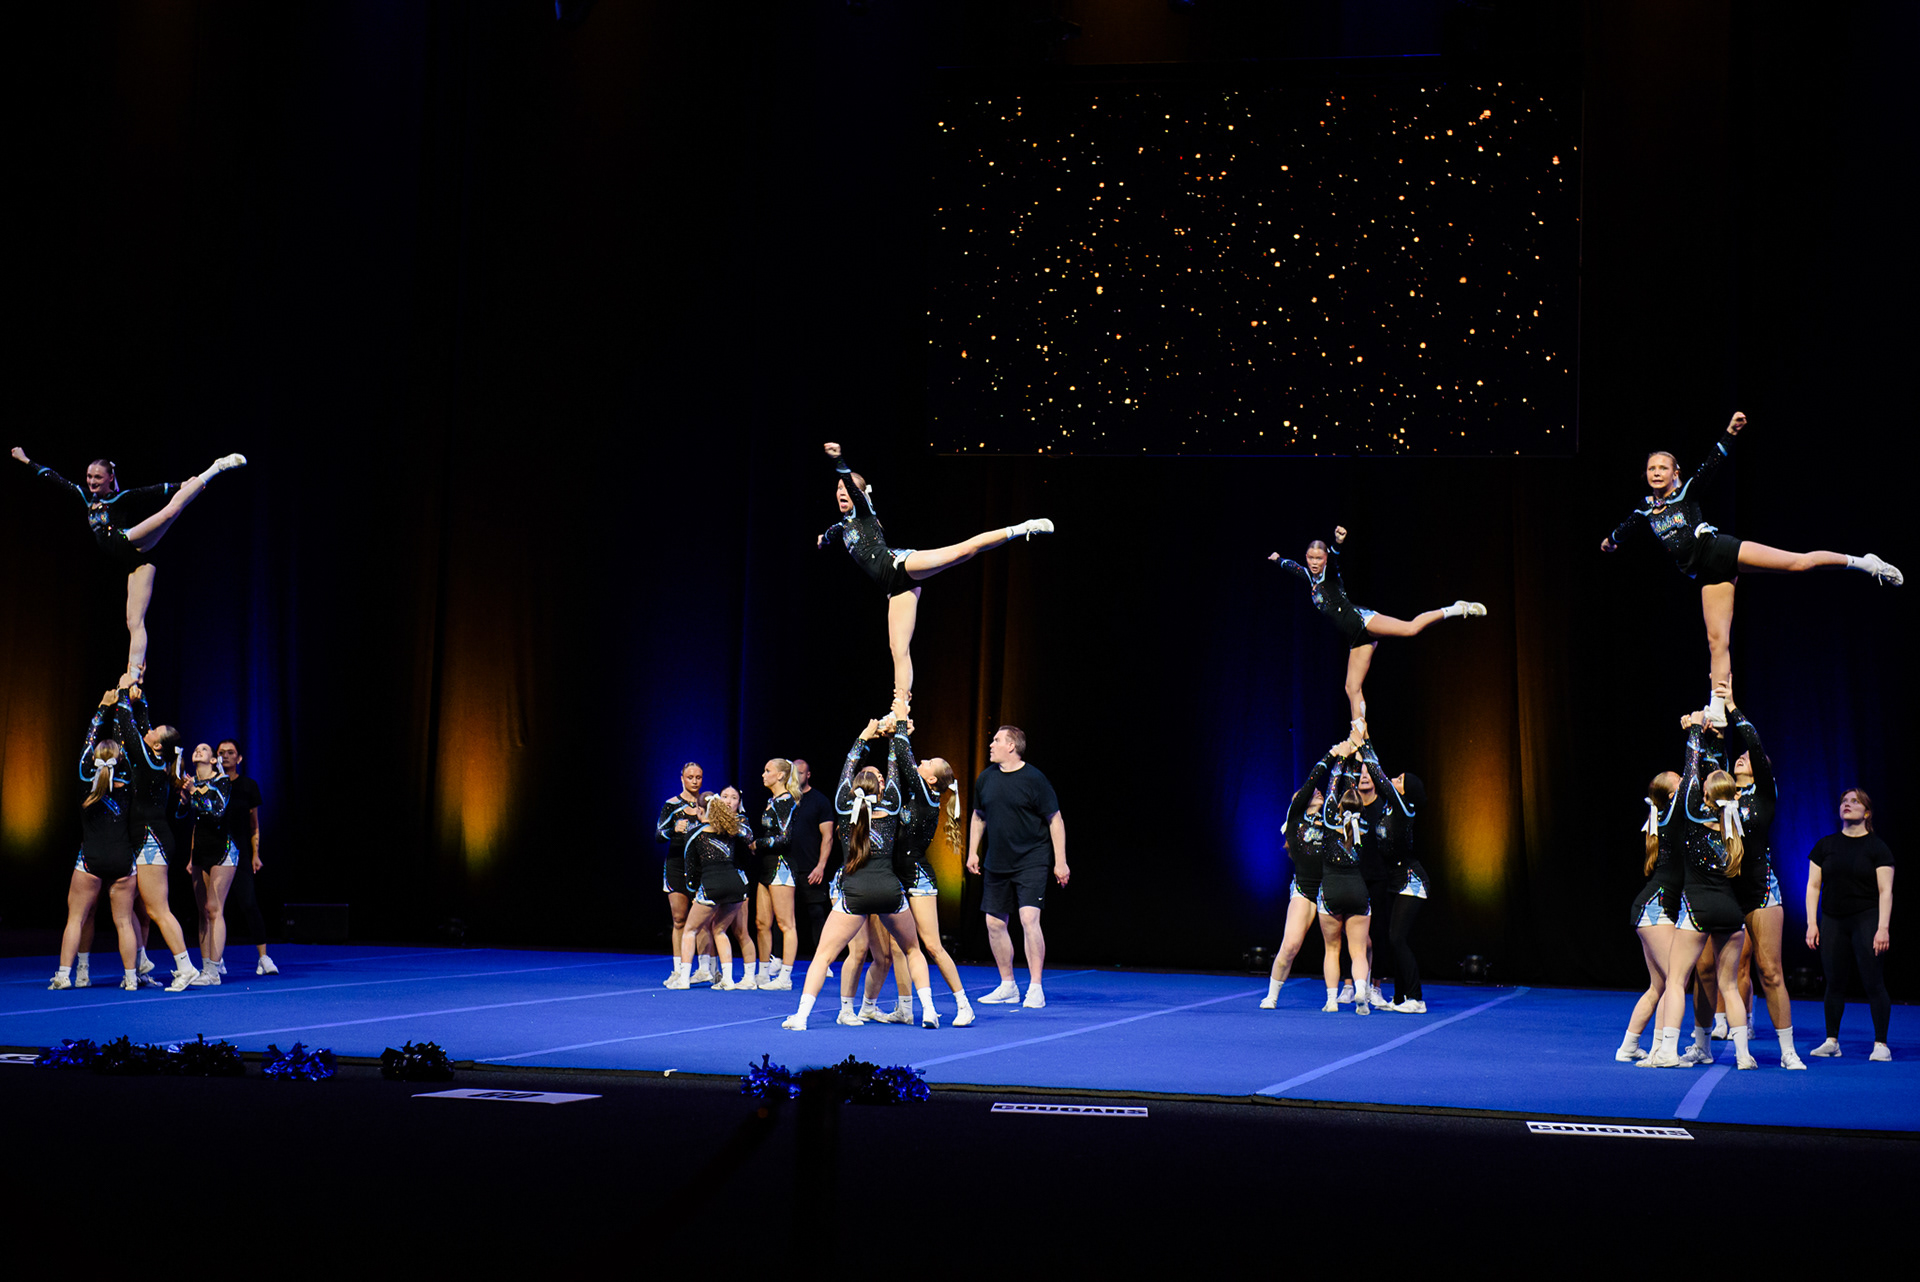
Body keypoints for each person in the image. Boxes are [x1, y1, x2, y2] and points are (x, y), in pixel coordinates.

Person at [1600, 413, 1901, 717]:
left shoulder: (1686, 492)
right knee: (1717, 641)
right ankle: (1718, 707)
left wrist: (1730, 432)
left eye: (1663, 467)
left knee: (1798, 563)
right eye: (1651, 468)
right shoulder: (1645, 508)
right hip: (1705, 573)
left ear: (1675, 473)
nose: (1656, 472)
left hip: (1720, 551)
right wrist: (1611, 541)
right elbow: (1626, 527)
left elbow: (1711, 464)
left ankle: (1865, 563)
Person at [816, 443, 1052, 719]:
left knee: (962, 552)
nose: (841, 492)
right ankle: (900, 710)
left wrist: (839, 461)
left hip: (900, 565)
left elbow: (852, 488)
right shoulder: (843, 525)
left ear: (859, 494)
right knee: (898, 649)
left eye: (846, 488)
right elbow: (833, 532)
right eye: (838, 489)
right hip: (892, 587)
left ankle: (1023, 527)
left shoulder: (864, 512)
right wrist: (823, 539)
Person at [10, 448, 247, 678]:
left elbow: (151, 491)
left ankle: (216, 467)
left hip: (130, 540)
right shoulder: (86, 497)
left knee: (169, 512)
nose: (92, 481)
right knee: (134, 621)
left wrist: (181, 485)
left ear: (109, 478)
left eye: (98, 477)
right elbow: (54, 477)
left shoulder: (119, 498)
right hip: (134, 563)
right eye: (89, 476)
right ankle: (134, 676)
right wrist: (25, 459)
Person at [782, 721, 936, 1030]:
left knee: (823, 956)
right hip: (889, 890)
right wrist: (894, 734)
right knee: (912, 950)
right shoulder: (891, 806)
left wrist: (866, 734)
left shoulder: (842, 806)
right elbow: (894, 770)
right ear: (881, 789)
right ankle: (929, 1010)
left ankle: (801, 1016)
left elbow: (848, 764)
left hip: (854, 890)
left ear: (852, 789)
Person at [1269, 527, 1486, 722]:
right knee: (1352, 688)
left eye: (1319, 558)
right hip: (1356, 637)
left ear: (1325, 558)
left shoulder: (1330, 572)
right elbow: (1293, 567)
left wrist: (1338, 542)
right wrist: (1278, 559)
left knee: (1410, 628)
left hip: (1363, 620)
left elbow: (1335, 557)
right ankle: (1361, 742)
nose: (1314, 562)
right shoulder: (1310, 577)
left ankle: (1457, 608)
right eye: (1311, 558)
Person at [1641, 714, 1754, 1069]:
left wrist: (1693, 730)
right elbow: (1713, 781)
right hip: (1731, 912)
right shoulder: (1733, 824)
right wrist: (1714, 742)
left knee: (1676, 980)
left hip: (1698, 909)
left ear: (1704, 795)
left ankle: (1667, 1051)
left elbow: (1691, 773)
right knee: (1729, 986)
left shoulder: (1692, 816)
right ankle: (1744, 1054)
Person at [967, 725, 1068, 1009]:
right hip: (997, 861)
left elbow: (1055, 819)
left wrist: (1060, 861)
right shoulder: (986, 778)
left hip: (1031, 859)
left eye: (997, 740)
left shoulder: (1034, 779)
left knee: (1028, 919)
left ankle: (1035, 987)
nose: (991, 744)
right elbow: (978, 816)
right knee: (994, 923)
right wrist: (972, 851)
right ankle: (1007, 985)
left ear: (1011, 746)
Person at [110, 673, 200, 991]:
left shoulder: (150, 762)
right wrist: (140, 690)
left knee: (157, 909)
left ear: (158, 745)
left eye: (153, 733)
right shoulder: (155, 757)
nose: (148, 730)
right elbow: (143, 725)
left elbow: (129, 728)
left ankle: (185, 967)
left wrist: (124, 693)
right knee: (139, 908)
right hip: (144, 839)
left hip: (151, 840)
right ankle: (142, 963)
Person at [50, 698, 144, 991]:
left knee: (76, 919)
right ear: (120, 759)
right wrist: (125, 706)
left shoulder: (84, 777)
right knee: (124, 921)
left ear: (93, 758)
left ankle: (66, 975)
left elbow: (87, 743)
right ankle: (131, 978)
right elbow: (130, 749)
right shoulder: (127, 781)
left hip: (90, 857)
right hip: (122, 858)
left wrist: (102, 708)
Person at [1806, 789, 1895, 1061]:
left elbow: (1886, 891)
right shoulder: (1825, 845)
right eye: (1844, 801)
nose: (1847, 804)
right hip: (1833, 920)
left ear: (1866, 813)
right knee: (1834, 982)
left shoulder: (1877, 848)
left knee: (1873, 981)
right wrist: (1812, 923)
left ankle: (1881, 1044)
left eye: (1855, 801)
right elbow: (1813, 886)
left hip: (1866, 918)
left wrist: (1883, 928)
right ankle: (1832, 1041)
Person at [1261, 745, 1344, 1008]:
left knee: (1335, 945)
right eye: (1311, 792)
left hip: (1329, 889)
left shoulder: (1329, 819)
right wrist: (1332, 755)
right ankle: (1272, 995)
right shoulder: (1295, 819)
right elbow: (1311, 782)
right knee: (1290, 945)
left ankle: (1335, 997)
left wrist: (1343, 761)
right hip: (1304, 889)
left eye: (1319, 792)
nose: (1317, 792)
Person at [1619, 769, 1682, 1061]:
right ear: (1672, 795)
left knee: (1658, 986)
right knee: (1674, 980)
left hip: (1650, 909)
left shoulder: (1670, 818)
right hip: (1655, 908)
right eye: (1680, 780)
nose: (1687, 782)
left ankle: (1628, 1047)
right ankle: (1659, 1049)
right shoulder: (1673, 818)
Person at [665, 795, 756, 989]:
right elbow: (748, 836)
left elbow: (690, 869)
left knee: (690, 930)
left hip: (712, 885)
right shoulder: (729, 830)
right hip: (736, 885)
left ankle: (683, 979)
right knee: (719, 930)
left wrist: (693, 892)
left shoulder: (695, 833)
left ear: (700, 810)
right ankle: (728, 980)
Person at [214, 738, 276, 975]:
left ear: (239, 758)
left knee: (249, 902)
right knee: (214, 908)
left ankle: (263, 957)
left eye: (231, 752)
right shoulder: (210, 785)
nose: (226, 756)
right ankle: (215, 959)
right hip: (214, 852)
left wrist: (255, 854)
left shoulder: (248, 786)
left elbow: (254, 825)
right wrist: (192, 858)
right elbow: (199, 824)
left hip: (239, 852)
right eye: (221, 752)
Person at [1315, 780, 1376, 1015]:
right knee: (1358, 951)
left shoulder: (1330, 823)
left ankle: (1332, 1001)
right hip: (1357, 890)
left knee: (1332, 949)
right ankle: (1360, 990)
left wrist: (1338, 764)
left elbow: (1331, 788)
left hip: (1331, 890)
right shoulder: (1364, 827)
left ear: (1339, 806)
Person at [656, 763, 717, 985]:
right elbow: (658, 834)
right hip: (676, 866)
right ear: (682, 778)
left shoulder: (708, 803)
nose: (694, 781)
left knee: (704, 921)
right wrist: (673, 830)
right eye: (690, 777)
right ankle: (678, 969)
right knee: (679, 919)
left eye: (698, 777)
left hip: (701, 866)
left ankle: (705, 969)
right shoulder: (671, 805)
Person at [182, 744, 235, 985]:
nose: (199, 750)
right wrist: (184, 799)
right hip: (201, 850)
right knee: (203, 911)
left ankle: (214, 970)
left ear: (213, 760)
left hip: (223, 849)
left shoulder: (222, 780)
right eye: (196, 749)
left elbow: (216, 812)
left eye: (204, 749)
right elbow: (181, 817)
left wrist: (193, 792)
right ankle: (206, 968)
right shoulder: (191, 783)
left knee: (214, 908)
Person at [753, 758, 802, 989]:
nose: (763, 775)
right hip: (766, 865)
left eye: (767, 770)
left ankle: (785, 977)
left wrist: (758, 843)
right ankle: (763, 973)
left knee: (786, 923)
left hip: (781, 866)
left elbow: (784, 838)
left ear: (780, 775)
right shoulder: (772, 801)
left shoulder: (786, 801)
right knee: (761, 922)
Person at [787, 757, 838, 975]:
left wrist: (820, 866)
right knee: (784, 917)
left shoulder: (819, 801)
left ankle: (823, 961)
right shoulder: (784, 801)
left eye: (800, 773)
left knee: (817, 913)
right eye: (793, 773)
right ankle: (779, 960)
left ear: (808, 775)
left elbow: (828, 837)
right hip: (786, 868)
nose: (796, 777)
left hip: (811, 868)